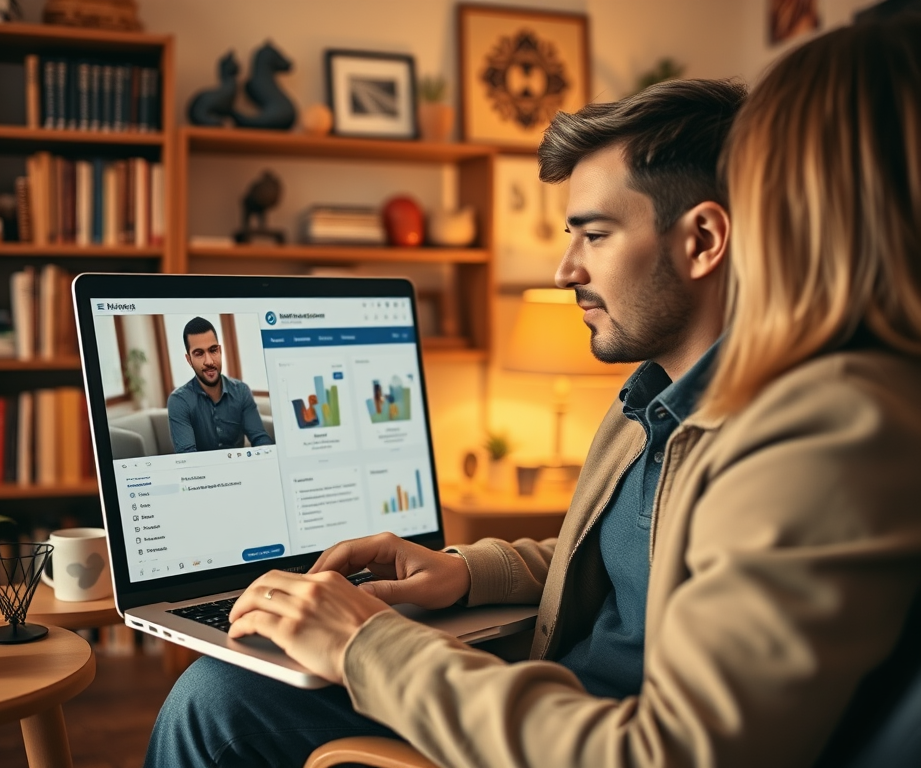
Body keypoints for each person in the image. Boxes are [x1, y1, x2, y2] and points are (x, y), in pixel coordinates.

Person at [146, 75, 745, 767]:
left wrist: (364, 642)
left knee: (216, 707)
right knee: (223, 685)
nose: (563, 270)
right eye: (568, 236)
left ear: (702, 239)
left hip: (574, 733)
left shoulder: (773, 448)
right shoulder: (646, 401)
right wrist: (462, 573)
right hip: (550, 693)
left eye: (596, 235)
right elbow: (613, 559)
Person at [167, 316, 272, 453]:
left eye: (213, 350)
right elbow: (188, 458)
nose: (209, 361)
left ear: (220, 350)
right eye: (199, 354)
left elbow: (260, 439)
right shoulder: (179, 401)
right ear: (189, 360)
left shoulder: (241, 391)